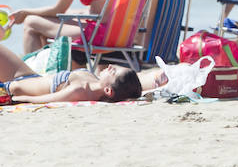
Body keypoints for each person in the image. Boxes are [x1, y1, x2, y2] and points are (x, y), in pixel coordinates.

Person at [0, 44, 141, 103]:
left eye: (114, 71)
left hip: (12, 86)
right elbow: (133, 89)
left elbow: (45, 100)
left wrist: (16, 99)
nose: (110, 66)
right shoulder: (93, 82)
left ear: (108, 90)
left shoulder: (80, 90)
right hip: (28, 76)